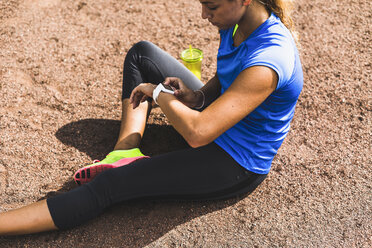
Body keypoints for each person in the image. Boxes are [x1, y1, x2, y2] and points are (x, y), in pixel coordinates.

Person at [0, 0, 303, 235]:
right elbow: (226, 79)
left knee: (109, 186)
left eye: (211, 6)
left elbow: (198, 133)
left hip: (234, 160)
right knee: (142, 55)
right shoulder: (237, 22)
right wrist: (195, 97)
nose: (203, 15)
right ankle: (125, 151)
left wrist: (160, 94)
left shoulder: (270, 59)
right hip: (217, 119)